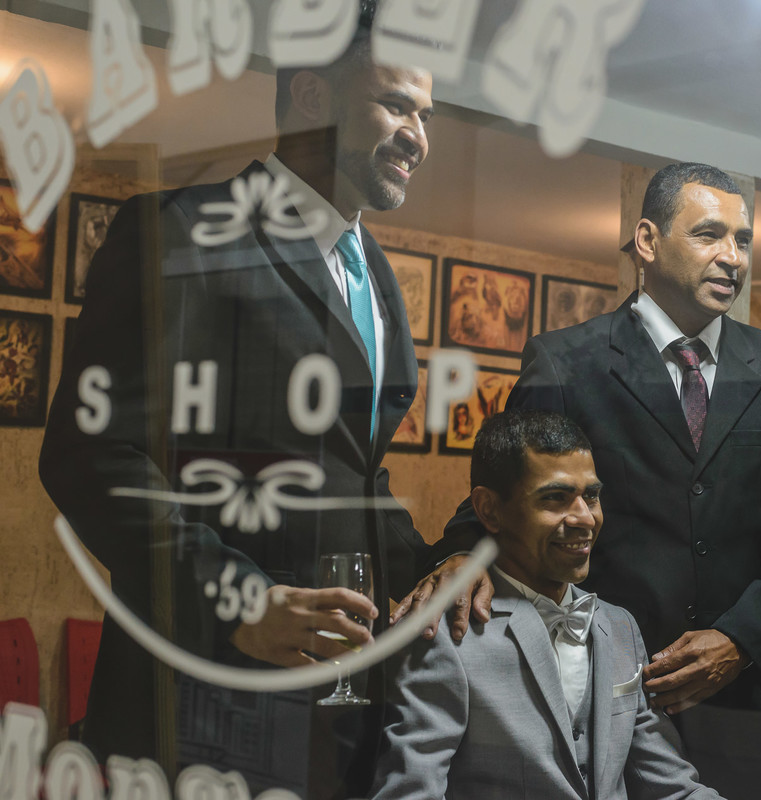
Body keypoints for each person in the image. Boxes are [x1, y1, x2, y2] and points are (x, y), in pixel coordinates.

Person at [37, 6, 474, 796]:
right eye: (396, 105)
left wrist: (448, 567)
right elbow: (88, 456)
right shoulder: (178, 234)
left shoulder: (378, 275)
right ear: (312, 99)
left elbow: (356, 478)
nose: (420, 135)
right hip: (202, 697)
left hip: (342, 714)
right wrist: (240, 598)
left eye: (426, 114)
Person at [425, 162, 761, 798]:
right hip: (611, 698)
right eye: (708, 235)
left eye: (743, 240)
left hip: (751, 702)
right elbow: (505, 494)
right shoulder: (566, 361)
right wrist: (457, 557)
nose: (732, 257)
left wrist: (738, 638)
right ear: (647, 241)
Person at [371, 409, 723, 800]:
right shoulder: (445, 633)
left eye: (591, 495)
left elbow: (673, 786)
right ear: (489, 510)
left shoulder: (620, 626)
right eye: (555, 498)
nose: (584, 518)